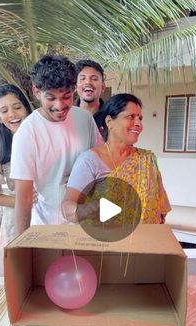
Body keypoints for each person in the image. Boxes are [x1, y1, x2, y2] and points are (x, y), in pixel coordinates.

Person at [10, 55, 102, 236]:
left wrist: (83, 177)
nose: (59, 105)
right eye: (50, 98)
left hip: (86, 224)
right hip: (48, 226)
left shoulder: (84, 119)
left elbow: (101, 161)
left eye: (66, 96)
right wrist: (21, 246)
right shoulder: (27, 133)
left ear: (74, 90)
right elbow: (24, 197)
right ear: (36, 91)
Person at [62, 93, 171, 224]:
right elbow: (67, 206)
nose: (138, 124)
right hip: (106, 241)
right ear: (109, 122)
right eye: (131, 117)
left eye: (140, 119)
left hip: (145, 241)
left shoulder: (147, 160)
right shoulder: (90, 161)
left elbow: (159, 209)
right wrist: (86, 210)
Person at [0, 84, 32, 275]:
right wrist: (23, 201)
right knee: (17, 276)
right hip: (15, 221)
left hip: (49, 217)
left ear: (26, 108)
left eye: (17, 107)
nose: (12, 114)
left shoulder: (46, 140)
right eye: (4, 110)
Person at [75, 59, 106, 129]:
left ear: (103, 87)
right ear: (75, 86)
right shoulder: (66, 115)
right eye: (82, 78)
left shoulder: (112, 116)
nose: (88, 82)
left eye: (94, 79)